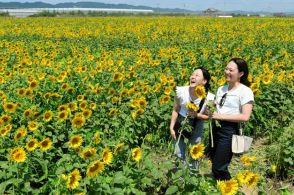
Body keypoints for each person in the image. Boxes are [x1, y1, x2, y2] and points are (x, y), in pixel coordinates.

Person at [209, 58, 254, 180]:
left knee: (219, 167)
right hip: (215, 128)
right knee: (214, 160)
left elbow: (245, 116)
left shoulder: (245, 91)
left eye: (231, 70)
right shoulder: (221, 89)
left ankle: (229, 188)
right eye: (226, 68)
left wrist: (221, 116)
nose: (227, 72)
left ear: (241, 73)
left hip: (229, 130)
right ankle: (218, 186)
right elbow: (217, 107)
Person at [169, 67, 214, 172]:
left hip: (198, 124)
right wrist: (171, 127)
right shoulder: (181, 91)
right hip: (181, 121)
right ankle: (180, 178)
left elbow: (209, 116)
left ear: (204, 81)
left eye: (197, 75)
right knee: (179, 152)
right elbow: (175, 109)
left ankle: (192, 176)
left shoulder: (209, 97)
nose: (193, 77)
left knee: (195, 152)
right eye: (192, 74)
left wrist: (197, 115)